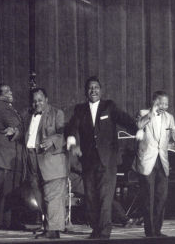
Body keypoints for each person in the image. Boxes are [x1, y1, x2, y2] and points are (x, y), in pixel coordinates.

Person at [67, 76, 137, 239]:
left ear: (101, 90)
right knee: (91, 197)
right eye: (90, 88)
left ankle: (105, 231)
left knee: (105, 197)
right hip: (88, 161)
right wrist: (72, 141)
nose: (93, 90)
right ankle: (96, 229)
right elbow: (72, 127)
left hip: (108, 161)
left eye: (96, 87)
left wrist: (137, 129)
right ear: (86, 91)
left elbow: (126, 120)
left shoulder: (109, 106)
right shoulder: (80, 109)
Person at [133, 90, 175, 237]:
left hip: (162, 162)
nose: (164, 106)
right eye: (161, 102)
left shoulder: (169, 118)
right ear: (154, 101)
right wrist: (151, 113)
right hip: (146, 161)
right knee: (148, 198)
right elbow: (138, 125)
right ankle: (150, 232)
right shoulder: (143, 112)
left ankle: (157, 230)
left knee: (161, 197)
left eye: (166, 103)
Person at [22, 88, 68, 239]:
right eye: (34, 101)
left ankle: (53, 230)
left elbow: (64, 133)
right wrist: (14, 133)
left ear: (47, 100)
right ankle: (51, 228)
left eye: (40, 100)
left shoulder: (56, 113)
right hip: (31, 159)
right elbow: (23, 133)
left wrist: (52, 140)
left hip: (50, 160)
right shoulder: (28, 115)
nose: (37, 103)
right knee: (40, 196)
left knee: (52, 195)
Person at [0, 84, 24, 230]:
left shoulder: (6, 106)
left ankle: (11, 221)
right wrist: (19, 127)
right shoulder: (1, 106)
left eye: (10, 89)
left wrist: (16, 129)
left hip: (8, 155)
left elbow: (17, 126)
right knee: (7, 189)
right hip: (5, 155)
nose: (10, 92)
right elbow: (18, 123)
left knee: (11, 189)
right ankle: (7, 223)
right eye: (6, 91)